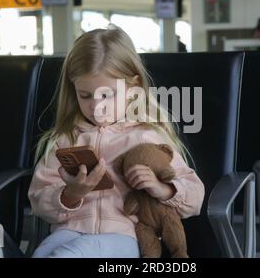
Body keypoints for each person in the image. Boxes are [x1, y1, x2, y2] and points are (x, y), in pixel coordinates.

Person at [28, 26, 205, 258]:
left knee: (66, 255)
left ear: (133, 89)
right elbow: (38, 200)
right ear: (73, 91)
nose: (95, 106)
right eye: (85, 95)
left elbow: (195, 196)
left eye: (107, 94)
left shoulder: (147, 136)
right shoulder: (65, 139)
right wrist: (71, 194)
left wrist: (161, 188)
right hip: (69, 230)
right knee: (44, 254)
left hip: (123, 237)